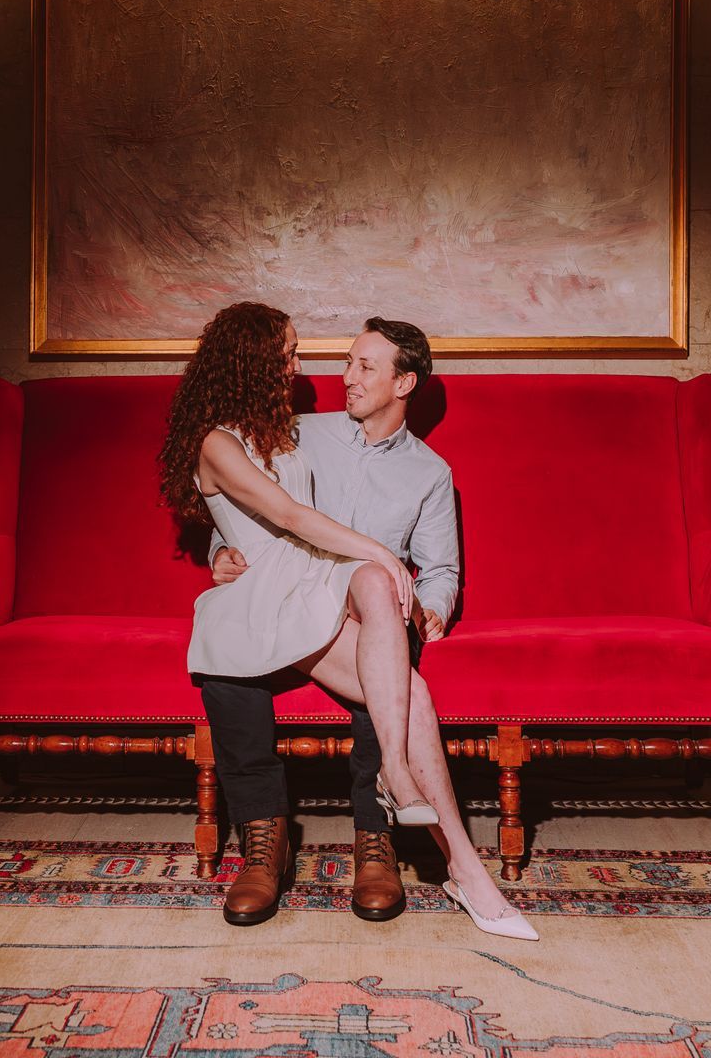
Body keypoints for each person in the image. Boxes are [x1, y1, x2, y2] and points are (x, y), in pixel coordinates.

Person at [160, 302, 536, 941]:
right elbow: (274, 512)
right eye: (302, 356)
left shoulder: (430, 473)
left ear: (403, 382)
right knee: (400, 666)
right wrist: (223, 551)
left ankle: (389, 814)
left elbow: (442, 571)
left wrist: (429, 608)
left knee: (377, 590)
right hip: (298, 590)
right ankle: (451, 863)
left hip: (365, 600)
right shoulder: (295, 430)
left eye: (364, 365)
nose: (338, 375)